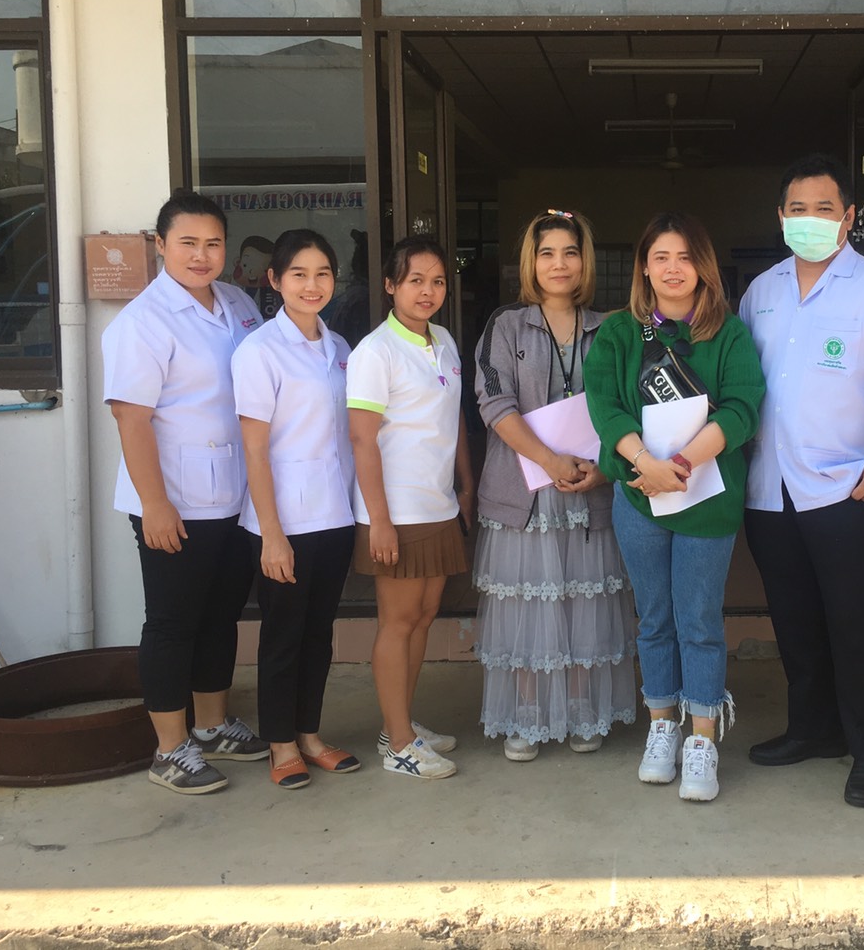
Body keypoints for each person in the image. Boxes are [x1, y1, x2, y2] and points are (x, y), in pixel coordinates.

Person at [739, 152, 864, 809]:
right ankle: (814, 729)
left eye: (824, 208)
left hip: (849, 489)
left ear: (848, 217)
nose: (810, 219)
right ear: (780, 217)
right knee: (796, 622)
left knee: (860, 627)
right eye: (797, 209)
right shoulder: (760, 292)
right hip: (770, 491)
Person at [585, 212, 764, 802]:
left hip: (707, 499)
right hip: (640, 497)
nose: (672, 269)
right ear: (644, 267)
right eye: (660, 257)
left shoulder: (728, 333)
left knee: (699, 620)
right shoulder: (620, 333)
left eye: (685, 257)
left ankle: (703, 739)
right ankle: (662, 727)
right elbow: (605, 407)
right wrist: (647, 464)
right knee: (655, 618)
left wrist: (681, 465)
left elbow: (742, 408)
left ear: (703, 266)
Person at [102, 192, 269, 795]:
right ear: (161, 245)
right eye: (188, 243)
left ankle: (213, 725)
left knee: (221, 616)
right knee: (173, 623)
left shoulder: (238, 303)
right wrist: (155, 505)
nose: (202, 255)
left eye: (213, 243)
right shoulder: (142, 322)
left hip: (233, 495)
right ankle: (170, 749)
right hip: (173, 499)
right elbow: (131, 418)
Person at [471, 210, 637, 760]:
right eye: (547, 253)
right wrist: (549, 459)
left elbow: (631, 401)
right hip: (526, 494)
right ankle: (527, 714)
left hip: (589, 489)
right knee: (527, 607)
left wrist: (601, 469)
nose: (559, 264)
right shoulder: (506, 325)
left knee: (583, 604)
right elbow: (494, 402)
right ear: (531, 262)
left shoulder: (611, 327)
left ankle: (582, 710)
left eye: (570, 252)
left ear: (585, 261)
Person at [232, 229, 359, 790]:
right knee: (283, 635)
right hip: (282, 521)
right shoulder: (259, 352)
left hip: (334, 516)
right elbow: (254, 449)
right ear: (275, 280)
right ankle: (280, 744)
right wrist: (272, 535)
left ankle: (309, 734)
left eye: (323, 273)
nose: (313, 285)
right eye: (299, 274)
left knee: (318, 633)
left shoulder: (340, 349)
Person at [346, 235, 475, 781]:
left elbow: (454, 416)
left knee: (423, 617)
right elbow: (362, 440)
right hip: (395, 511)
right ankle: (399, 744)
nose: (428, 291)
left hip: (437, 503)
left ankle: (399, 724)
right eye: (415, 280)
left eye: (437, 281)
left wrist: (466, 485)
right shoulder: (375, 352)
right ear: (390, 285)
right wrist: (379, 520)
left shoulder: (442, 340)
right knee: (397, 622)